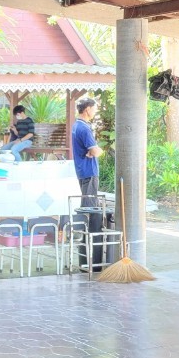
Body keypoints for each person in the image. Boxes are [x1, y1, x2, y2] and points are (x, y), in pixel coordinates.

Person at [71, 97, 106, 268]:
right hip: (89, 172)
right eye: (94, 108)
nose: (95, 111)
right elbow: (96, 151)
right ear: (87, 109)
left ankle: (87, 245)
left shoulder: (76, 126)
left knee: (89, 206)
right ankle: (92, 252)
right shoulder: (84, 128)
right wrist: (98, 151)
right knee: (91, 210)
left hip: (82, 171)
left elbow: (92, 151)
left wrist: (93, 151)